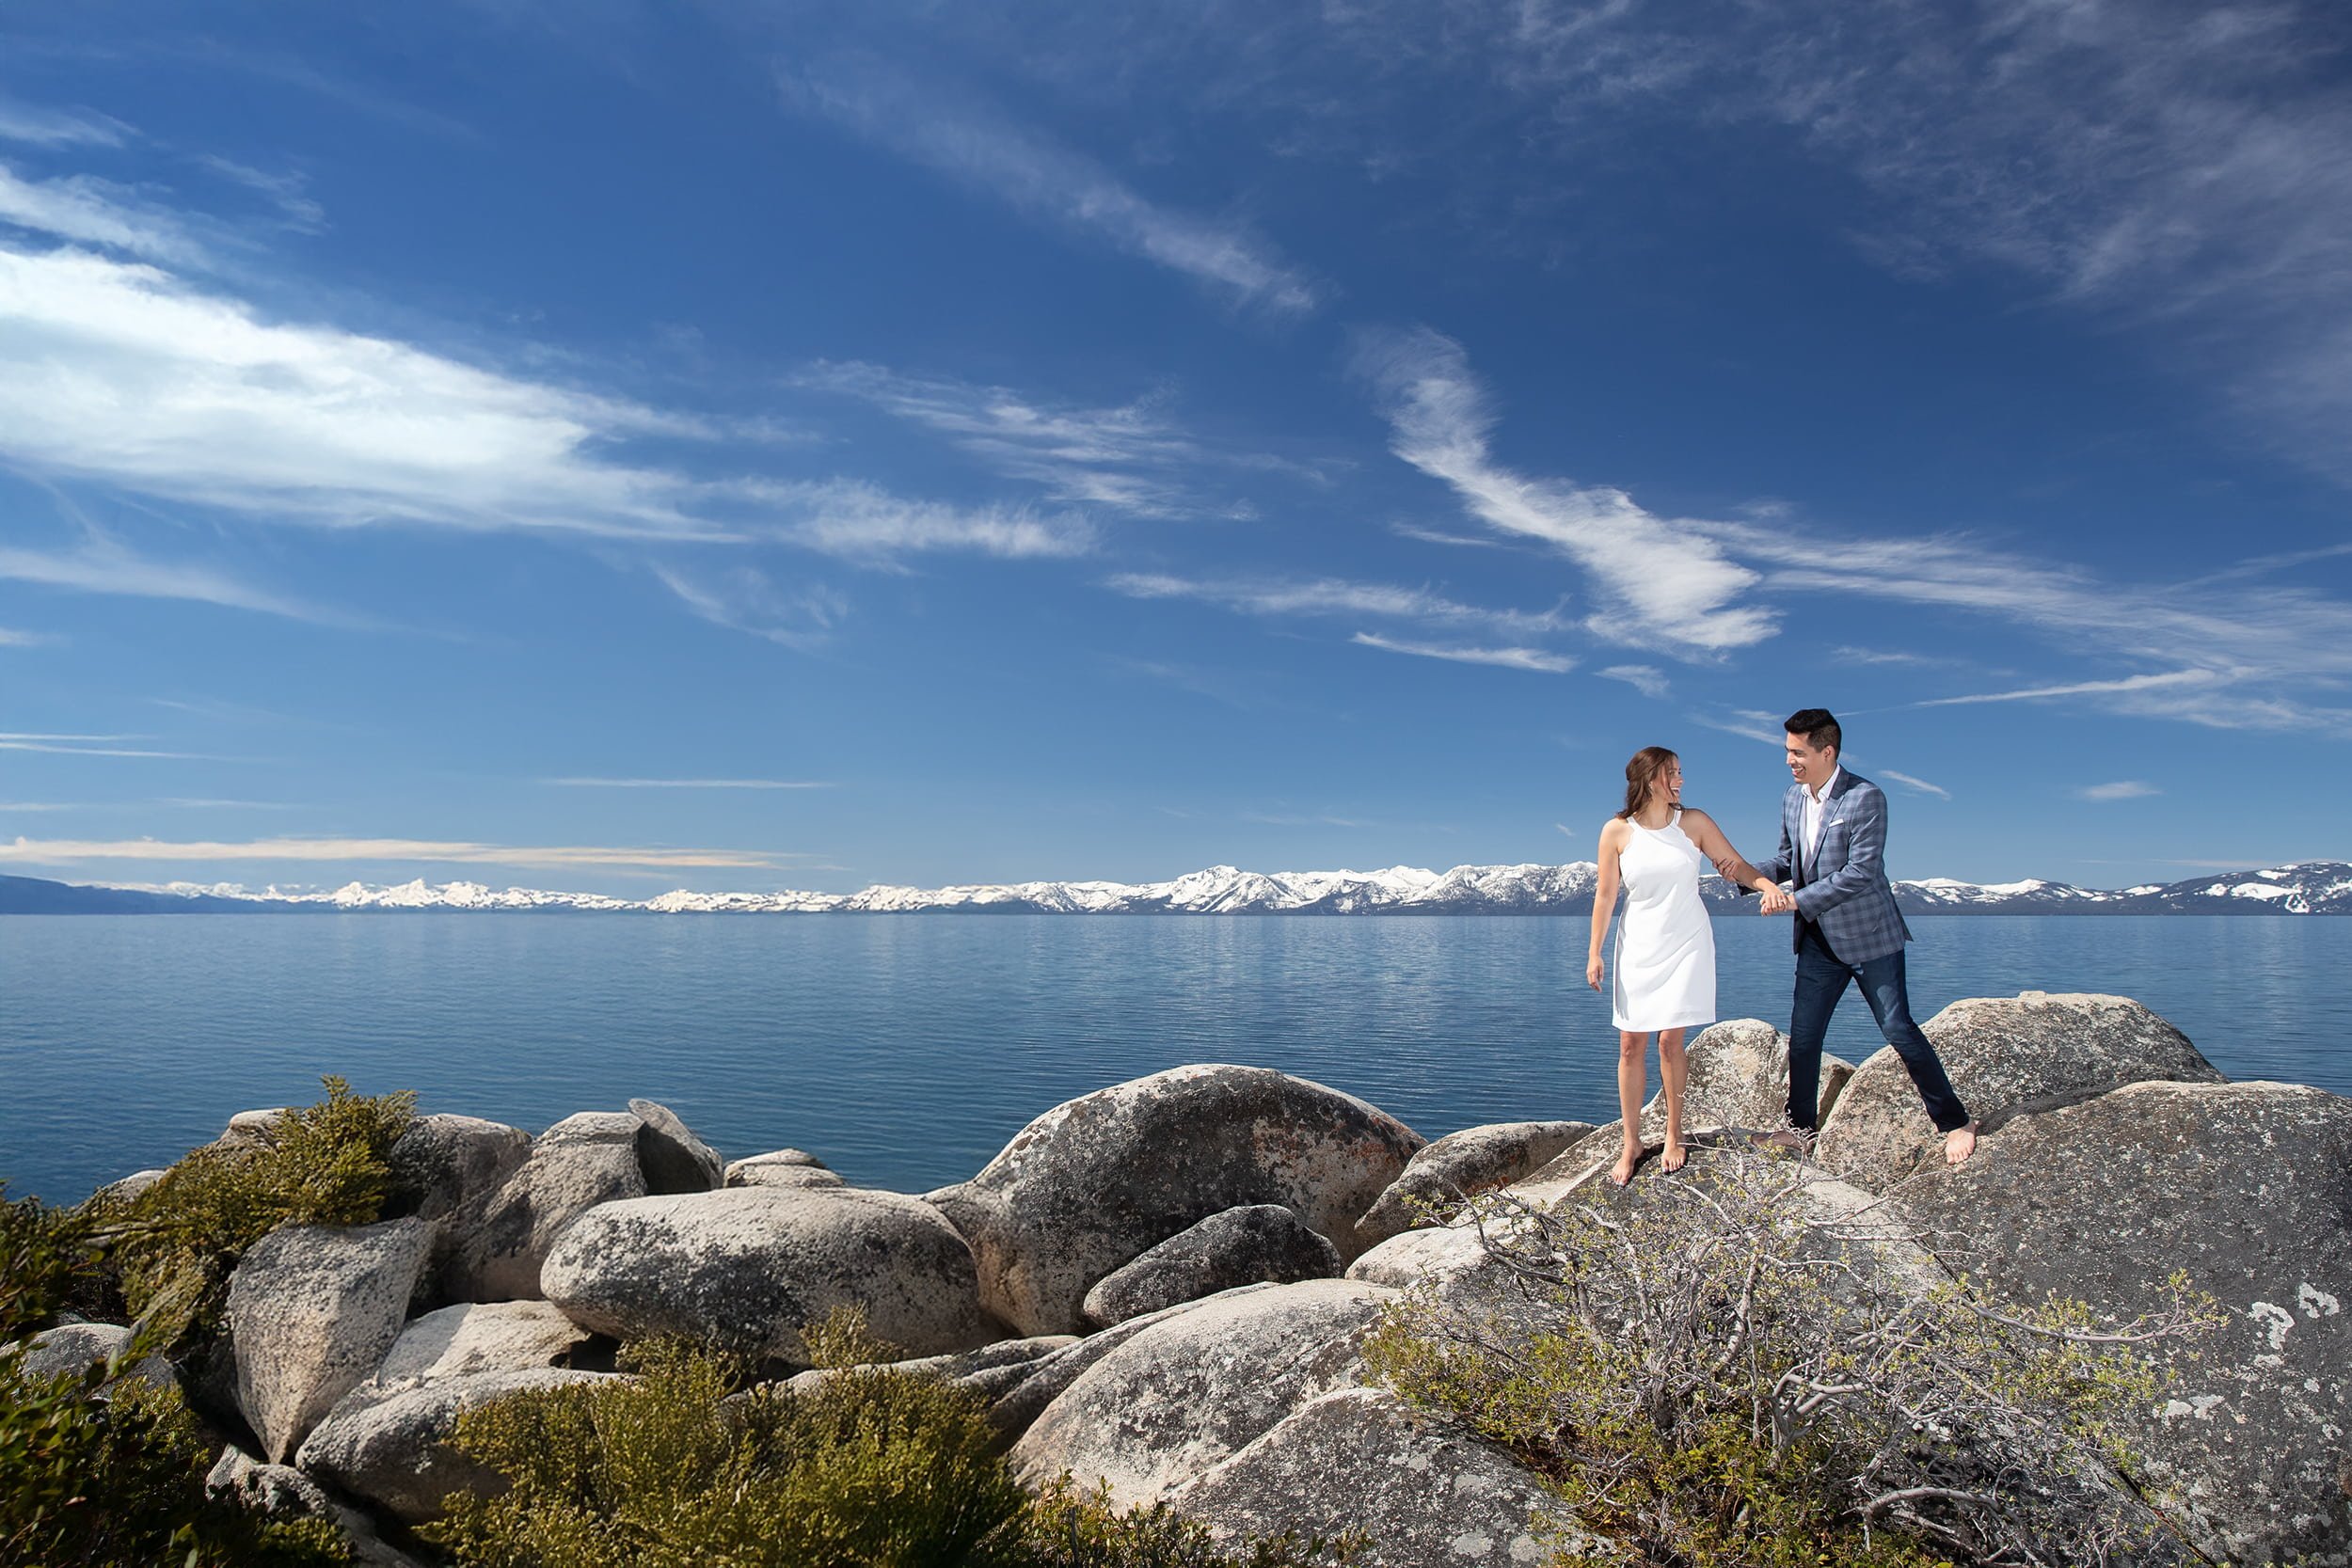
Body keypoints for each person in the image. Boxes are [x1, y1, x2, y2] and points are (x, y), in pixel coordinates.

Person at [1732, 708, 1979, 1164]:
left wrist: (1794, 901)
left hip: (1870, 938)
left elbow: (1861, 873)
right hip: (1817, 942)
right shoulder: (1792, 798)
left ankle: (1955, 1122)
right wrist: (1741, 875)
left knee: (1898, 1029)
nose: (1789, 761)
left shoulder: (1866, 797)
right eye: (1787, 751)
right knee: (1804, 1039)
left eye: (1797, 752)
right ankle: (1801, 1131)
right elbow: (1789, 861)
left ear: (1827, 751)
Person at [1587, 746, 1786, 1186]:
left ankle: (1674, 1134)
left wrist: (1768, 884)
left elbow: (1734, 866)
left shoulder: (1693, 823)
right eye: (1672, 773)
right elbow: (1606, 895)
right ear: (1649, 778)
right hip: (1638, 945)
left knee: (1670, 1043)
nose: (1680, 780)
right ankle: (1632, 1142)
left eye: (1680, 772)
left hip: (1686, 942)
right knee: (1630, 1046)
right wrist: (1594, 952)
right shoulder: (1617, 831)